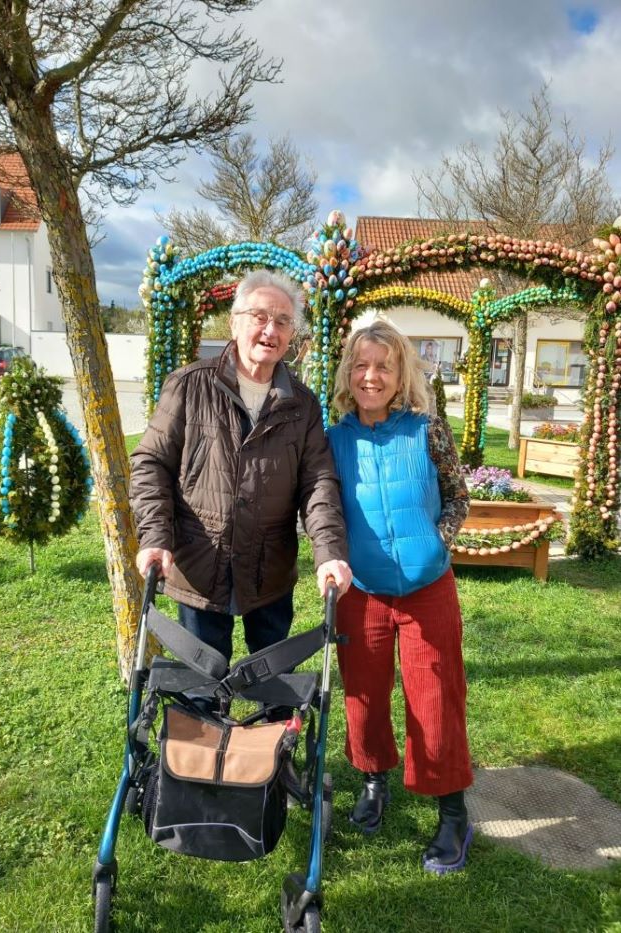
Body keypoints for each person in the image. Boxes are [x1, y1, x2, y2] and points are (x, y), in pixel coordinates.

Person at [130, 269, 352, 667]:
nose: (271, 329)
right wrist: (155, 536)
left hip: (269, 573)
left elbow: (318, 483)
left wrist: (329, 553)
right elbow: (150, 463)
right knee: (201, 693)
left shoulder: (302, 405)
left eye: (283, 321)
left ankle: (267, 732)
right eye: (260, 317)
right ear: (234, 322)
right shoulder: (189, 385)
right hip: (199, 567)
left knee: (271, 689)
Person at [327, 320, 473, 875]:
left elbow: (458, 495)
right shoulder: (333, 437)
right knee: (363, 695)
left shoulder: (428, 429)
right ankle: (372, 781)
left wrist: (439, 541)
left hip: (427, 588)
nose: (372, 376)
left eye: (384, 366)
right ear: (348, 372)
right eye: (362, 365)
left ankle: (453, 811)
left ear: (401, 373)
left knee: (435, 698)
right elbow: (321, 509)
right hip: (361, 590)